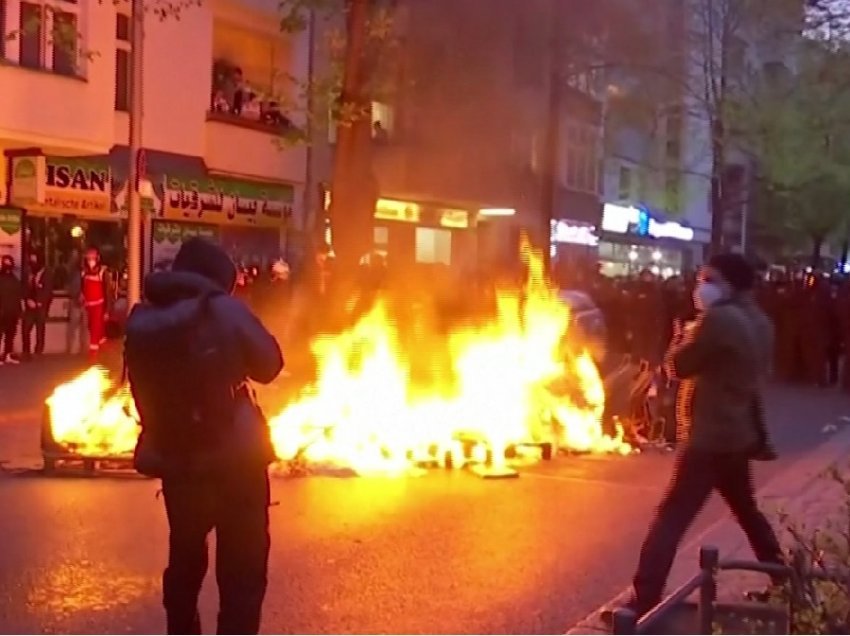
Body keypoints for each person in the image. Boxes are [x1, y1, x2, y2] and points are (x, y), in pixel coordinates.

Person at [610, 253, 783, 620]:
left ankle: (643, 599)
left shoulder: (718, 319)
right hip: (738, 433)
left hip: (708, 436)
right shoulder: (761, 321)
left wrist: (682, 335)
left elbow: (677, 365)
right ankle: (784, 582)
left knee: (672, 516)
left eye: (708, 279)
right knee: (747, 512)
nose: (699, 287)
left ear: (729, 284)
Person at [125, 237, 283, 635]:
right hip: (236, 462)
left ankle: (181, 629)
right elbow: (269, 364)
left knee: (185, 557)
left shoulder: (145, 318)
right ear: (219, 279)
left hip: (176, 458)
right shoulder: (225, 309)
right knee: (242, 571)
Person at [81, 247, 112, 362]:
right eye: (88, 257)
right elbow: (82, 287)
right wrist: (82, 296)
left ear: (97, 257)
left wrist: (107, 310)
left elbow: (108, 292)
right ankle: (105, 347)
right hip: (88, 305)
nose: (90, 259)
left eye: (93, 257)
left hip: (99, 304)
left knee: (95, 328)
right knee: (92, 328)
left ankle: (93, 354)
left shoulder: (103, 272)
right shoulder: (84, 272)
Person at [22, 252, 53, 359]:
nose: (32, 262)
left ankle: (38, 352)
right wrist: (27, 300)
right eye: (31, 259)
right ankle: (26, 351)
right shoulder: (28, 272)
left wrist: (40, 302)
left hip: (41, 306)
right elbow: (24, 287)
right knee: (25, 329)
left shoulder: (46, 272)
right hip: (29, 305)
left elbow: (48, 290)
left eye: (34, 259)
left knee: (40, 330)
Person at [0, 255, 22, 365]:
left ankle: (7, 355)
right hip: (2, 311)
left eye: (9, 262)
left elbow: (18, 295)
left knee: (10, 335)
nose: (7, 265)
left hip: (12, 311)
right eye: (5, 262)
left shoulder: (14, 278)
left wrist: (19, 310)